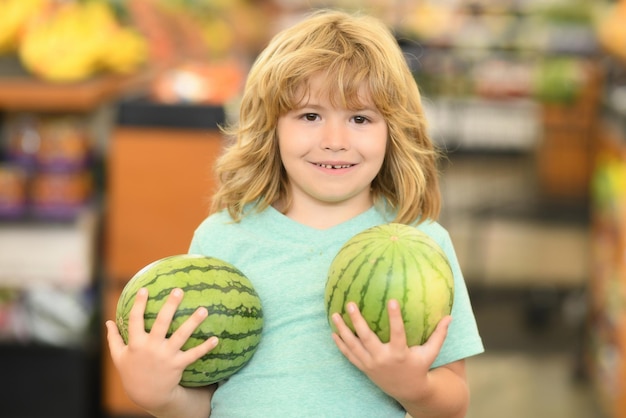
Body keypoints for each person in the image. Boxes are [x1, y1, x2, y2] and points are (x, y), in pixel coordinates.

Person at [106, 9, 484, 418]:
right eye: (309, 116)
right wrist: (158, 397)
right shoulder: (223, 237)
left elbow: (454, 402)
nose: (334, 141)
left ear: (394, 130)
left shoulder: (422, 243)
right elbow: (206, 401)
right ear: (271, 126)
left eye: (360, 118)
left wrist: (415, 389)